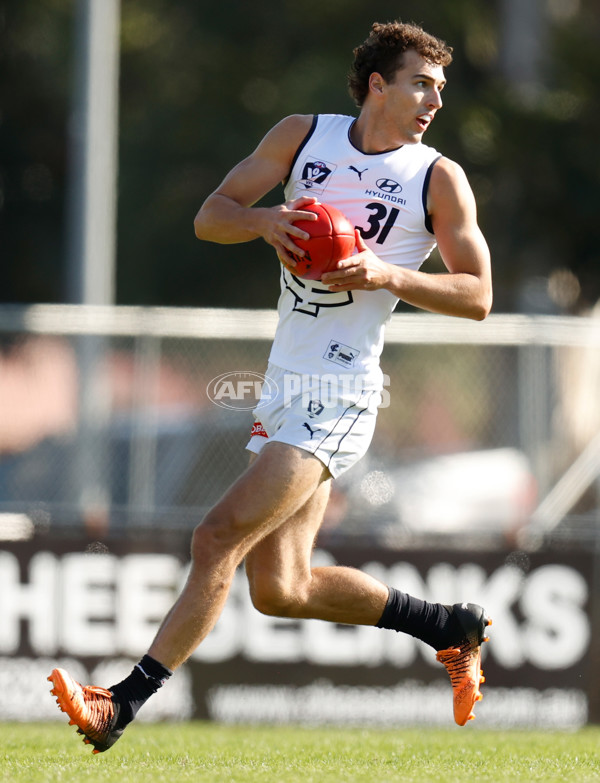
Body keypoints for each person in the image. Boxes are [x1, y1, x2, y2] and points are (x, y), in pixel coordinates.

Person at [48, 20, 493, 753]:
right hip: (284, 380)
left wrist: (389, 274)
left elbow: (478, 295)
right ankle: (448, 625)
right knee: (281, 587)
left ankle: (118, 704)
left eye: (439, 89)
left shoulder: (436, 176)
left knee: (215, 534)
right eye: (420, 83)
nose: (433, 101)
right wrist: (263, 221)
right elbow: (209, 217)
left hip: (343, 386)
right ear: (377, 84)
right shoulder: (302, 136)